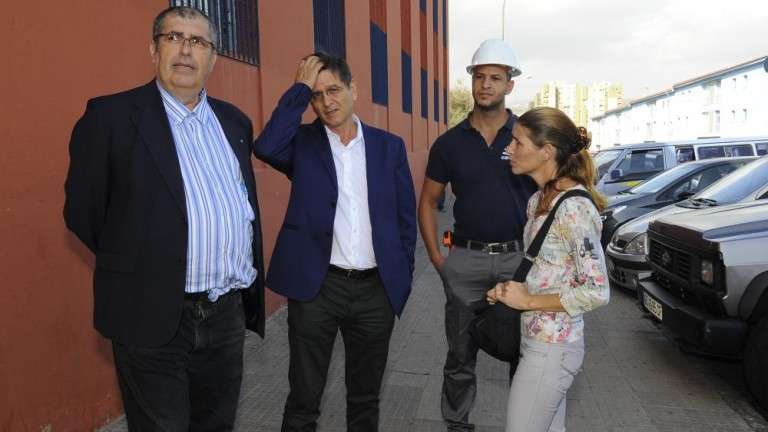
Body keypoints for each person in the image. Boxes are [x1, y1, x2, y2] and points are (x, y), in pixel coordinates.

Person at [63, 6, 265, 431]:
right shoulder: (111, 118)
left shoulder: (234, 122)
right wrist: (141, 264)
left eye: (198, 42)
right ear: (154, 50)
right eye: (174, 37)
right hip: (150, 313)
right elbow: (84, 213)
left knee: (216, 425)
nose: (186, 50)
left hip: (225, 317)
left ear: (213, 58)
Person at [253, 53, 416, 432]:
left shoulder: (388, 147)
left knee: (365, 398)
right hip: (318, 289)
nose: (326, 102)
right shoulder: (302, 144)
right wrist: (297, 90)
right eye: (316, 95)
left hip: (375, 292)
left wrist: (400, 275)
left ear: (353, 89)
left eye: (334, 90)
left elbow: (405, 218)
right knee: (304, 397)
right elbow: (265, 147)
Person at [418, 39, 537, 431]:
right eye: (480, 77)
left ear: (510, 85)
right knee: (459, 357)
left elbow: (550, 196)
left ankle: (523, 425)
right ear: (471, 81)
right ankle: (457, 425)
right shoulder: (449, 143)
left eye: (495, 78)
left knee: (524, 354)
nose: (486, 84)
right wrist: (438, 259)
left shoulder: (527, 139)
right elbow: (428, 202)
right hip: (465, 261)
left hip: (517, 262)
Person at [487, 107, 610, 432]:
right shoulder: (538, 200)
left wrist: (527, 300)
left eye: (518, 142)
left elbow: (597, 291)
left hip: (553, 348)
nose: (509, 148)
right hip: (535, 340)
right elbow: (547, 271)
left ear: (546, 151)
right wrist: (510, 291)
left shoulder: (574, 208)